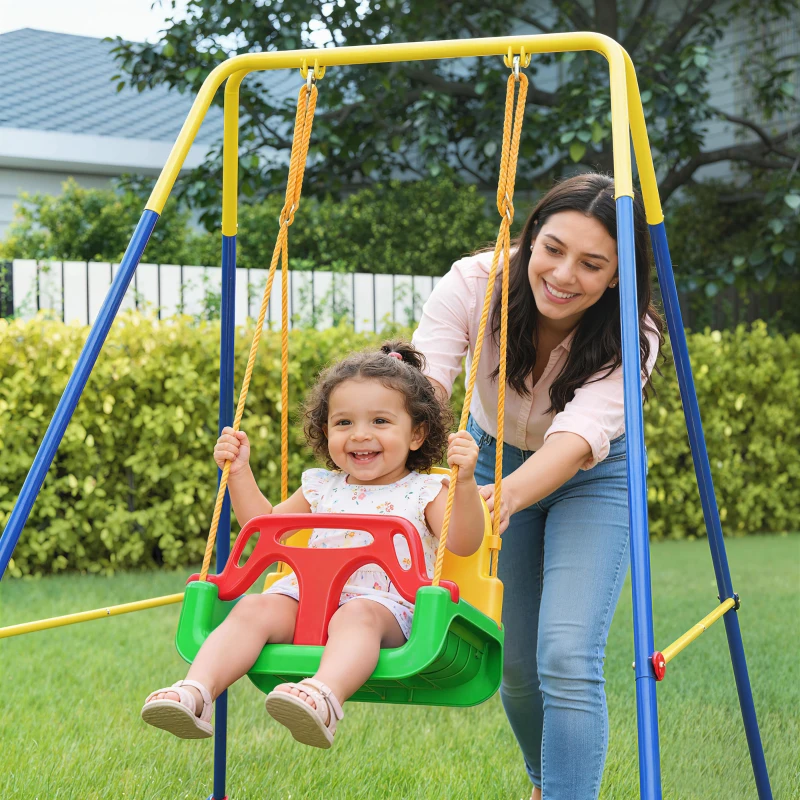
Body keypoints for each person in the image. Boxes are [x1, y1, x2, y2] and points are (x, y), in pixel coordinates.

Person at [411, 173, 665, 800]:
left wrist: (509, 497)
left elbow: (575, 440)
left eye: (592, 263)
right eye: (552, 248)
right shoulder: (476, 283)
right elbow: (425, 390)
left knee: (567, 655)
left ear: (616, 278)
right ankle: (546, 784)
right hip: (493, 455)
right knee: (518, 666)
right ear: (530, 238)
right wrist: (396, 444)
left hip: (593, 475)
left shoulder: (633, 335)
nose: (563, 274)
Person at [141, 341, 484, 749]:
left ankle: (324, 697)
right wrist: (239, 473)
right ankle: (196, 692)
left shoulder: (425, 490)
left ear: (417, 433)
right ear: (326, 432)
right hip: (305, 601)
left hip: (383, 608)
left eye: (379, 421)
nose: (360, 435)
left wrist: (464, 484)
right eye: (343, 423)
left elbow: (463, 542)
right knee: (253, 606)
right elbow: (264, 527)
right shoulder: (321, 486)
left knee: (357, 615)